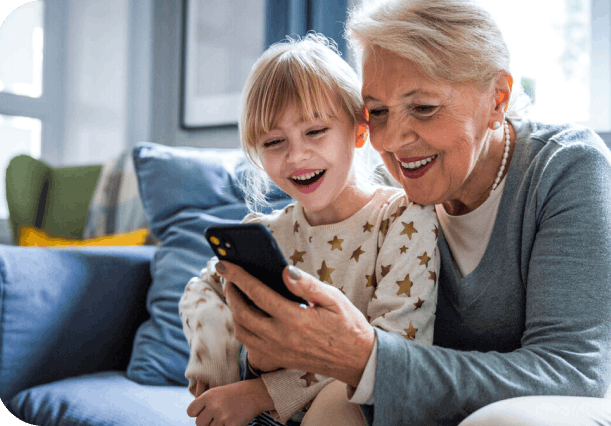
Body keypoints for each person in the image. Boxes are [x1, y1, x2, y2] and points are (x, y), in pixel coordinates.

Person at [217, 1, 611, 425]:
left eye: (423, 107)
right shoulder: (393, 208)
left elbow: (571, 373)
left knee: (505, 422)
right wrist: (265, 348)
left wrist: (365, 358)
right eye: (377, 111)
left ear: (497, 98)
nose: (395, 139)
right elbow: (335, 355)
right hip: (508, 405)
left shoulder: (567, 167)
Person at [179, 33, 439, 426]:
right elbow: (201, 288)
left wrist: (260, 393)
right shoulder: (265, 233)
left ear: (359, 130)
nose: (296, 155)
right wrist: (216, 359)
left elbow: (393, 349)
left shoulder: (402, 218)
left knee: (343, 396)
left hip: (360, 410)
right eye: (274, 141)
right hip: (265, 419)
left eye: (315, 131)